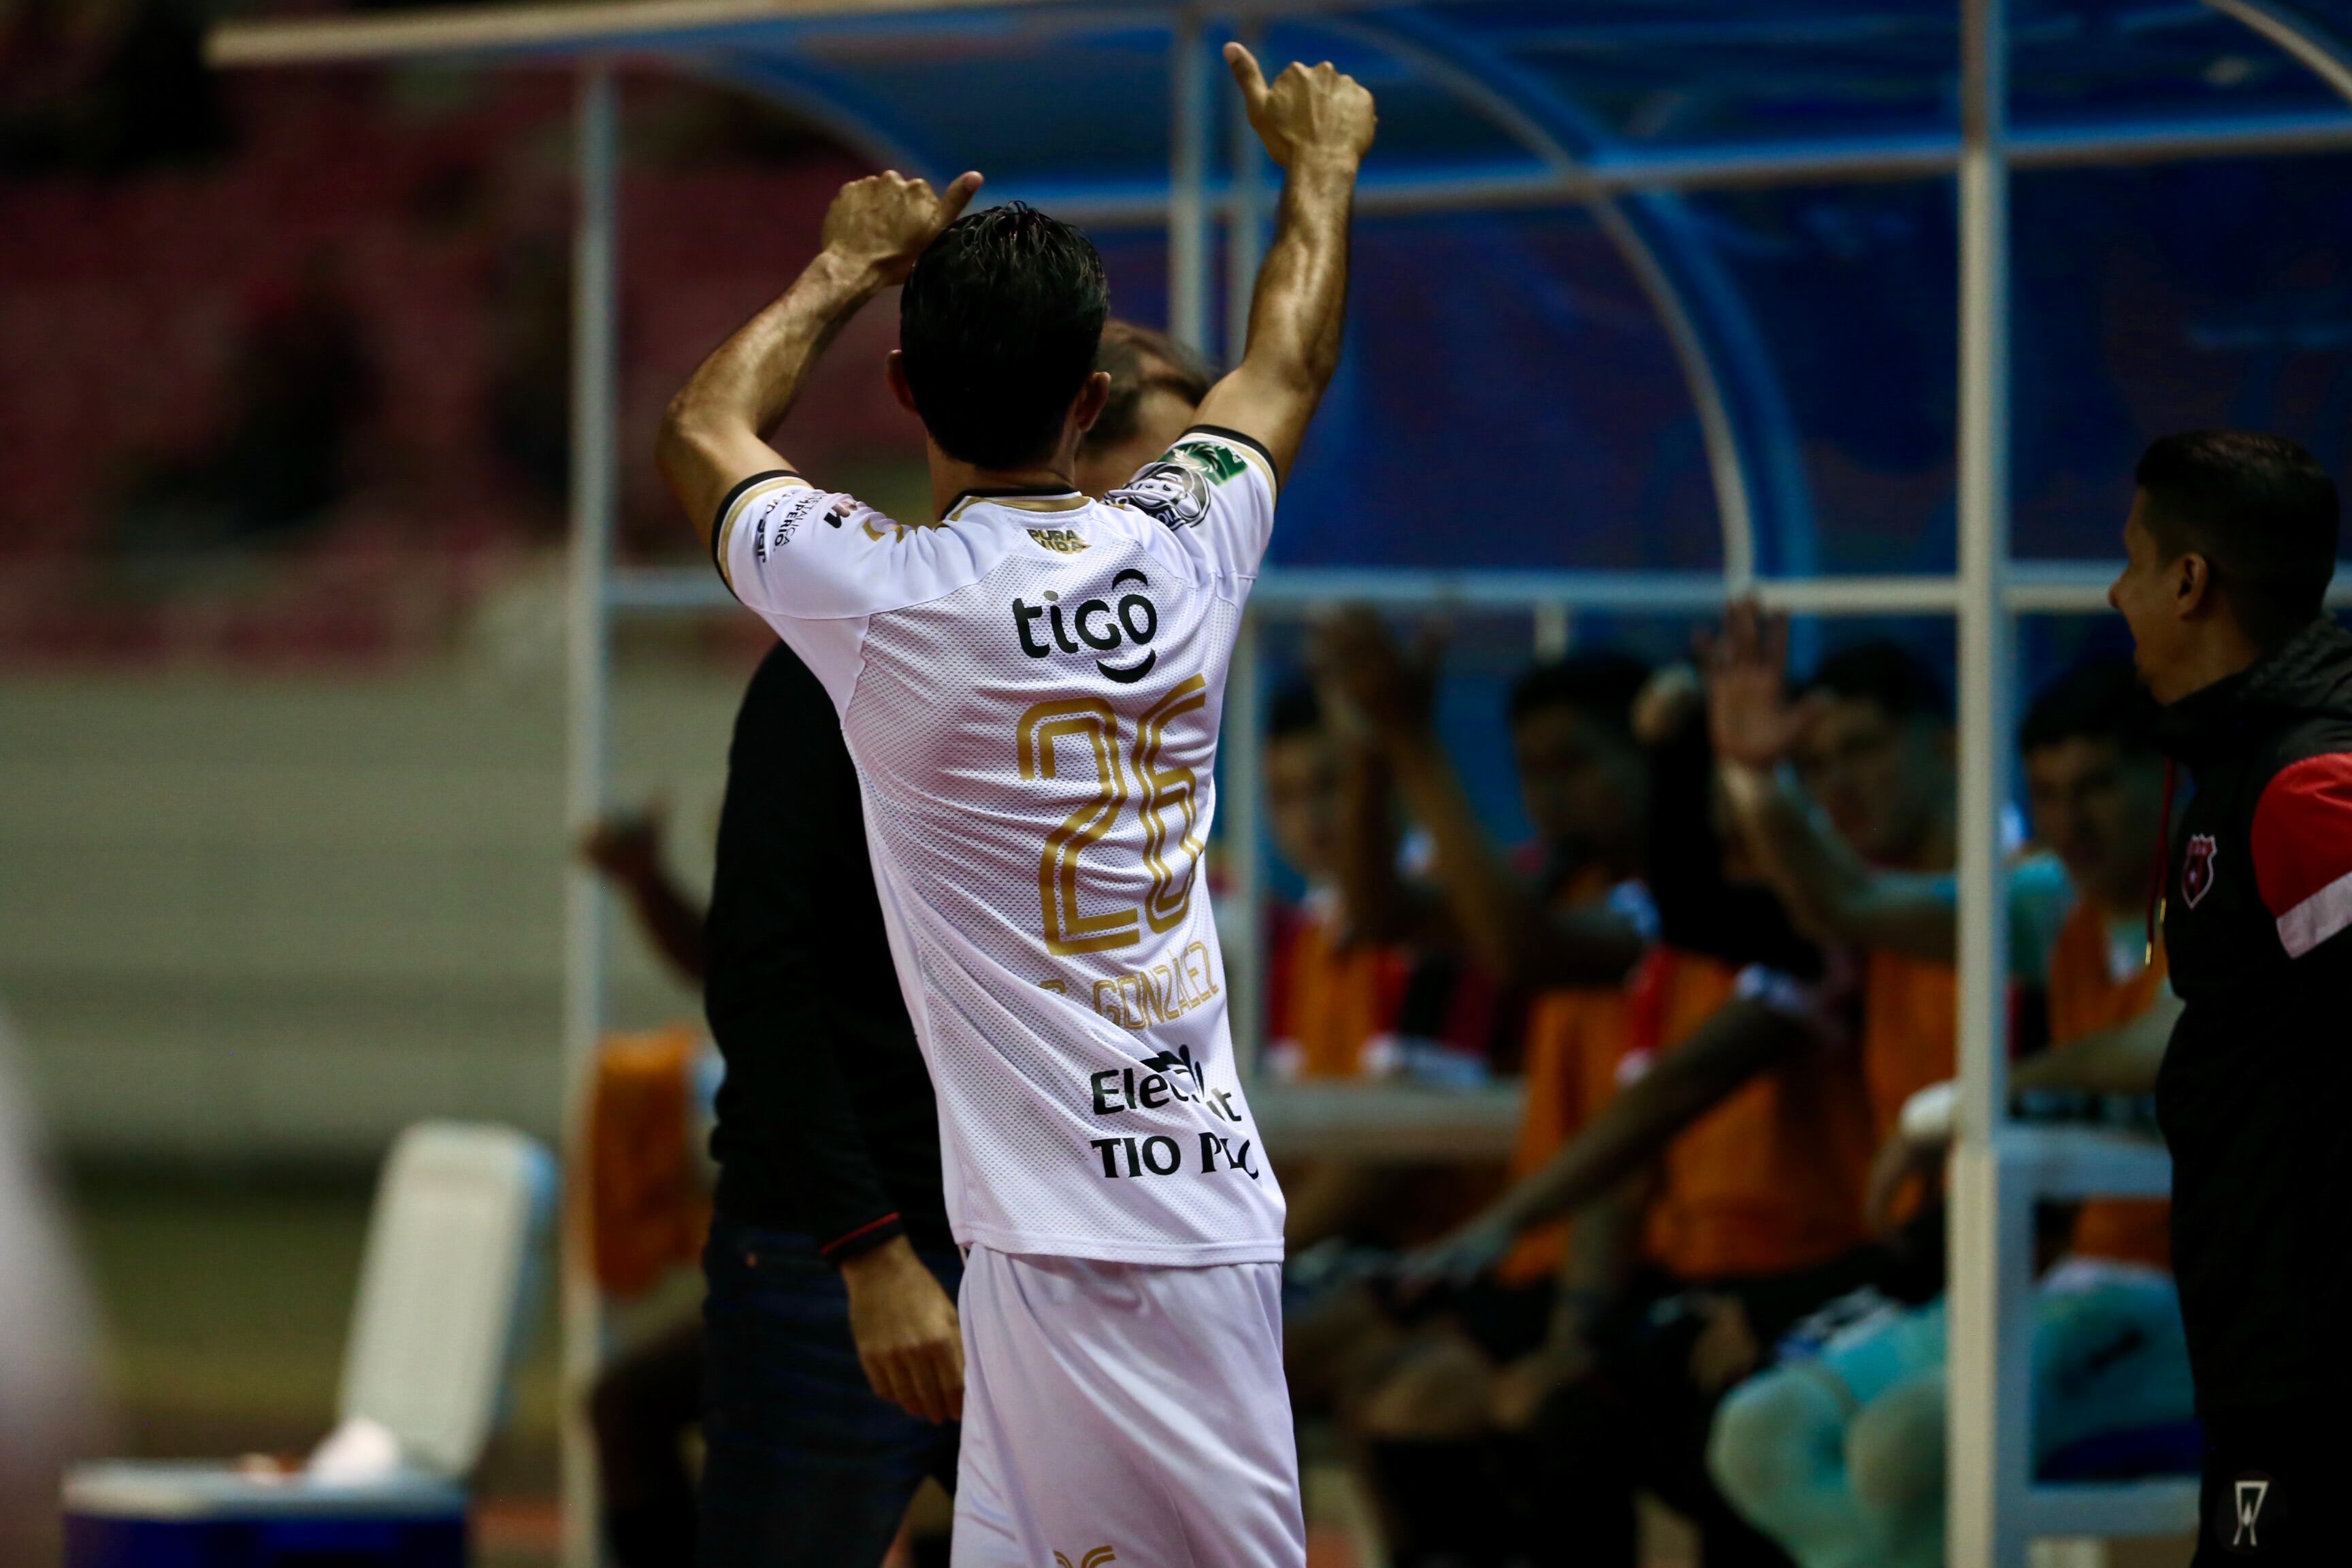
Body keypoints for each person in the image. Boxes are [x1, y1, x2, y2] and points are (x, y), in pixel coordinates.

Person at [656, 44, 1372, 1568]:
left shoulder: (879, 603)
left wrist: (846, 266)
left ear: (908, 388)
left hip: (1055, 1242)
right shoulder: (1184, 549)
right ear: (1095, 398)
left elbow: (704, 430)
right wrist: (1320, 170)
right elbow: (1286, 364)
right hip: (1189, 1211)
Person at [581, 321, 1209, 1568]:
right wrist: (869, 1254)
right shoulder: (864, 647)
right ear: (1072, 440)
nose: (1171, 518)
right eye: (1156, 473)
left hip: (1064, 1244)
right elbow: (763, 967)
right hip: (864, 1251)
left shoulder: (1154, 677)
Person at [1704, 659, 2201, 1568]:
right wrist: (1758, 781)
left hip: (2196, 1309)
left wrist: (1974, 1099)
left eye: (2097, 787)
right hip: (2074, 1285)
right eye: (2047, 794)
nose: (2070, 821)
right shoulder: (2057, 904)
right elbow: (1848, 903)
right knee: (1760, 1433)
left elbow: (2167, 1045)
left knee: (1908, 1445)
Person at [2104, 429, 2352, 1565]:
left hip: (2317, 1371)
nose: (2116, 594)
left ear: (2190, 580)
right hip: (2268, 1353)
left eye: (2131, 560)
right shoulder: (2239, 770)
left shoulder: (2307, 784)